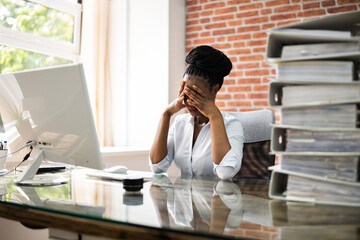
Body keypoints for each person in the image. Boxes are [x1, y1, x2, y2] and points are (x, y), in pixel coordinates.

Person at [149, 45, 244, 180]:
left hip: (215, 200)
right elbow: (157, 167)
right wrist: (166, 114)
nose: (189, 101)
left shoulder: (232, 125)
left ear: (215, 89)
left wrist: (214, 115)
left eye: (197, 95)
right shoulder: (180, 123)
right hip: (183, 200)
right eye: (186, 93)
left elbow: (225, 173)